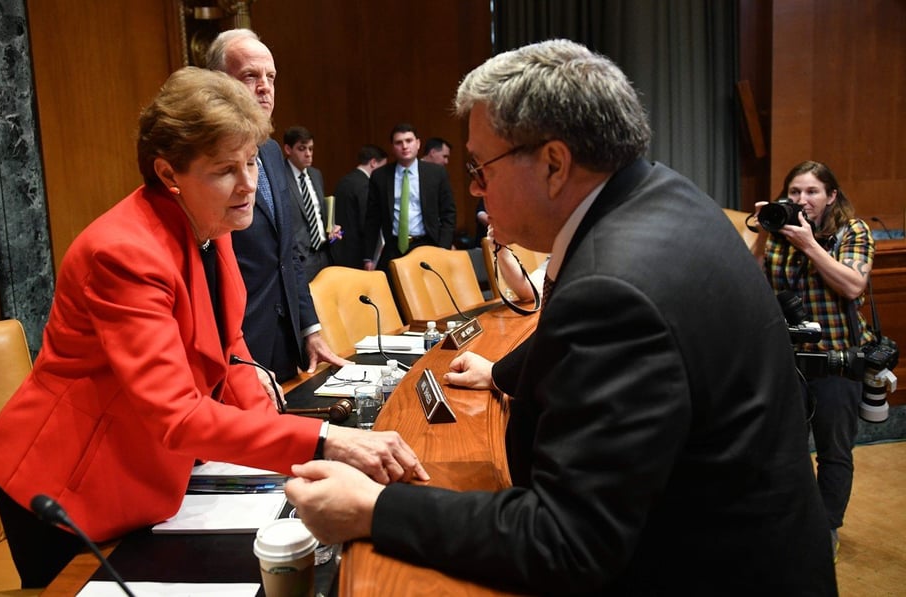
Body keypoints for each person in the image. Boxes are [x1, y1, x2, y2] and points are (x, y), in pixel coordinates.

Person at [285, 39, 836, 595]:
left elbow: (566, 541)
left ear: (553, 163)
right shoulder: (664, 194)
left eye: (481, 166)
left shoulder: (613, 286)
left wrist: (377, 508)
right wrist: (502, 373)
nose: (473, 186)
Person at [0, 67, 429, 589]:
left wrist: (286, 458)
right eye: (224, 170)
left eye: (251, 164)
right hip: (67, 484)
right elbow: (176, 415)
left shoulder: (210, 225)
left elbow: (230, 349)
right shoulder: (123, 252)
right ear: (169, 173)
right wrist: (322, 441)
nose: (247, 186)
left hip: (144, 473)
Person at [749, 160, 876, 561]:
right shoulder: (779, 231)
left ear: (831, 196)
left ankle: (826, 528)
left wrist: (809, 244)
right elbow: (746, 281)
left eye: (812, 192)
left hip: (836, 363)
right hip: (785, 363)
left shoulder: (851, 231)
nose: (802, 201)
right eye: (794, 193)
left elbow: (853, 285)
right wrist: (762, 234)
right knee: (778, 450)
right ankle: (786, 524)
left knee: (834, 453)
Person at [204, 29, 347, 382]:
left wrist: (309, 328)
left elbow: (287, 253)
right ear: (218, 84)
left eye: (270, 77)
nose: (265, 87)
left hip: (285, 344)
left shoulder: (269, 150)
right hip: (236, 347)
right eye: (250, 76)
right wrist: (233, 358)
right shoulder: (202, 162)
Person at [363, 123, 456, 271]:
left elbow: (448, 214)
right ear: (393, 147)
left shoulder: (436, 173)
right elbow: (373, 219)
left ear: (418, 144)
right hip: (394, 246)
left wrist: (443, 249)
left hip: (427, 244)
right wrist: (368, 257)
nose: (404, 146)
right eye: (399, 142)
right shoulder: (380, 176)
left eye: (409, 141)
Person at [282, 125, 340, 281]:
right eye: (302, 149)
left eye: (311, 149)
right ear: (288, 149)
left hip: (324, 253)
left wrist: (332, 229)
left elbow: (318, 213)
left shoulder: (315, 174)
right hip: (301, 259)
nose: (308, 154)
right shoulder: (280, 177)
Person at [332, 144, 387, 268]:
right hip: (357, 253)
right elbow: (367, 222)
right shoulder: (365, 185)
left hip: (338, 248)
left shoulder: (343, 181)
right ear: (373, 163)